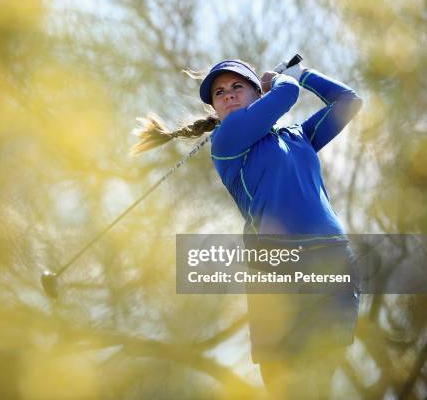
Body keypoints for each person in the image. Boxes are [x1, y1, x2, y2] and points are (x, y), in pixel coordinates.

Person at [132, 58, 363, 398]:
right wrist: (284, 79)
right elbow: (287, 95)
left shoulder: (298, 137)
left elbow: (348, 102)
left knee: (317, 377)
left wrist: (304, 74)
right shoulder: (227, 141)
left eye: (237, 86)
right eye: (219, 93)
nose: (227, 96)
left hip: (331, 260)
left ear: (257, 92)